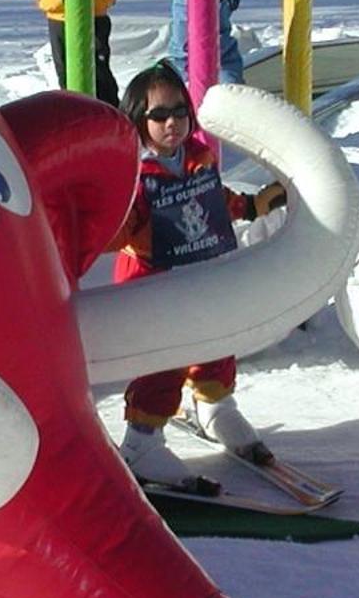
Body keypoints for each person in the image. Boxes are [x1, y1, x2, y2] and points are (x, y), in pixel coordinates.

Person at [109, 63, 287, 485]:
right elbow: (114, 225)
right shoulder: (132, 172)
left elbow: (212, 200)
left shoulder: (197, 157)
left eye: (179, 111)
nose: (171, 122)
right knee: (164, 358)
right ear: (137, 118)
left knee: (216, 338)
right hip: (153, 280)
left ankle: (216, 406)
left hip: (202, 270)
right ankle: (142, 439)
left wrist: (249, 206)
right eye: (158, 115)